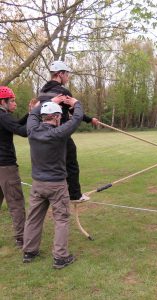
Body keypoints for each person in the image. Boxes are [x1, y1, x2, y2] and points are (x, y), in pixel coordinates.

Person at [23, 96, 83, 269]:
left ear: (43, 116)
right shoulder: (59, 132)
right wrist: (76, 104)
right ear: (57, 117)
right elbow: (77, 118)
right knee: (62, 219)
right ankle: (60, 257)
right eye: (59, 117)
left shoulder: (32, 130)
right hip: (57, 185)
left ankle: (29, 252)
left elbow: (32, 115)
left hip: (37, 184)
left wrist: (47, 102)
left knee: (33, 218)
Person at [38, 60, 99, 202]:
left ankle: (56, 192)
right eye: (66, 74)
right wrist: (90, 120)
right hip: (60, 133)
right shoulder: (62, 92)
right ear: (60, 74)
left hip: (44, 135)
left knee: (55, 164)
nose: (68, 77)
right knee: (71, 163)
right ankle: (75, 195)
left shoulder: (42, 92)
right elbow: (74, 110)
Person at [0, 86, 27, 247]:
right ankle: (21, 237)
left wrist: (30, 114)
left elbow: (14, 124)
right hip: (6, 167)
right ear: (3, 102)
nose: (15, 104)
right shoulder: (3, 116)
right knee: (16, 203)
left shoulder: (4, 117)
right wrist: (37, 117)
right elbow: (22, 131)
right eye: (12, 100)